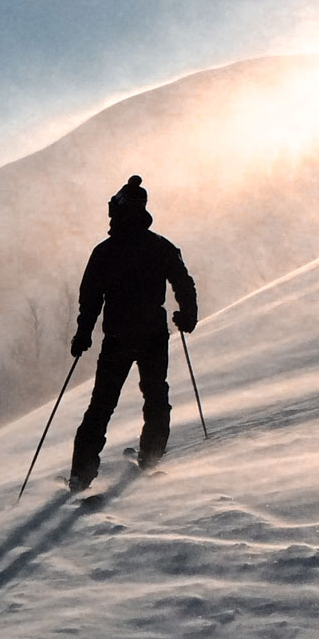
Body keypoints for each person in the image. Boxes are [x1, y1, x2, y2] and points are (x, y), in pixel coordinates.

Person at [67, 175, 197, 490]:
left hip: (118, 338)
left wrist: (83, 334)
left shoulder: (105, 251)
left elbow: (90, 297)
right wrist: (187, 316)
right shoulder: (161, 246)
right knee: (156, 396)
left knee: (102, 404)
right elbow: (183, 282)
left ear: (120, 212)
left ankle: (82, 473)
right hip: (153, 335)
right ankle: (150, 456)